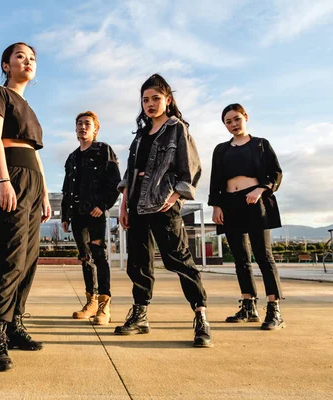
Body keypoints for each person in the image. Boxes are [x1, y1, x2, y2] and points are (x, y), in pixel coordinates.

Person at [115, 73, 213, 348]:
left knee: (179, 261)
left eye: (156, 98)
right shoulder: (139, 137)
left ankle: (201, 316)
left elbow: (190, 168)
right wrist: (124, 204)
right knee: (138, 264)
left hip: (163, 205)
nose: (150, 104)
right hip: (136, 207)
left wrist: (175, 196)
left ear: (168, 100)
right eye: (145, 100)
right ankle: (140, 315)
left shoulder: (176, 129)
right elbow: (129, 174)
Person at [0, 42, 51, 371]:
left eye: (32, 58)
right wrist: (3, 179)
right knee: (11, 258)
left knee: (30, 260)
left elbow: (34, 151)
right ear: (6, 64)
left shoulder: (28, 106)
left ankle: (14, 326)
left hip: (33, 179)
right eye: (20, 56)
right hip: (12, 174)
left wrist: (46, 193)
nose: (28, 61)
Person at [209, 103, 284, 330]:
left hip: (254, 201)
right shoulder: (221, 149)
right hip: (230, 204)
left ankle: (274, 309)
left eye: (236, 119)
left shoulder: (261, 144)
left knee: (263, 256)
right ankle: (248, 305)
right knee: (240, 259)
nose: (233, 125)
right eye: (228, 122)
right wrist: (216, 206)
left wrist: (260, 189)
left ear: (246, 117)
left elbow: (276, 173)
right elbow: (215, 180)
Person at [61, 111, 121, 324]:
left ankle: (105, 304)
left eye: (87, 124)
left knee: (99, 256)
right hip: (77, 216)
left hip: (95, 214)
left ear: (96, 129)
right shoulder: (72, 157)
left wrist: (103, 205)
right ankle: (91, 301)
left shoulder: (103, 150)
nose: (82, 127)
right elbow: (67, 188)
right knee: (85, 258)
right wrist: (65, 215)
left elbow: (115, 182)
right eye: (79, 123)